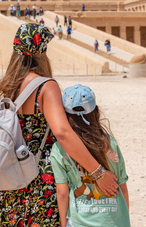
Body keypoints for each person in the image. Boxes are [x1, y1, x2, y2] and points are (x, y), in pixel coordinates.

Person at [0, 24, 119, 227]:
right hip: (38, 182)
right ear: (42, 53)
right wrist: (98, 173)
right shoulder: (45, 86)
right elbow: (62, 133)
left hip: (2, 179)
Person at [50, 84, 130, 227]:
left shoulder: (59, 149)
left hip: (79, 221)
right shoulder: (108, 143)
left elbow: (62, 192)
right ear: (96, 111)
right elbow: (122, 186)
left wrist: (63, 223)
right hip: (112, 221)